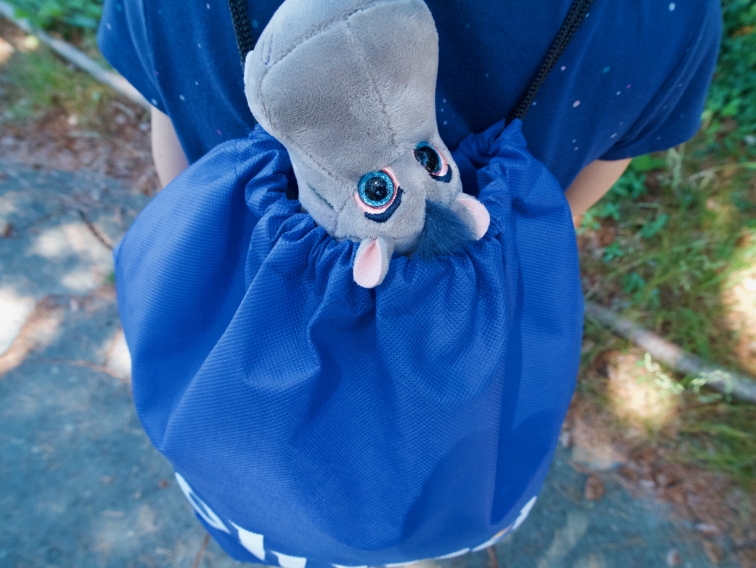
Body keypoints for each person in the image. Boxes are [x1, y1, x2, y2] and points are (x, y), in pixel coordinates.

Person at [97, 0, 721, 218]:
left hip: (236, 353)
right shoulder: (665, 14)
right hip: (463, 427)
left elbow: (176, 151)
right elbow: (573, 199)